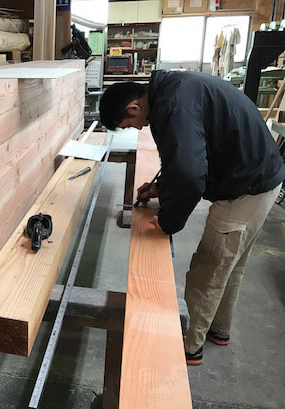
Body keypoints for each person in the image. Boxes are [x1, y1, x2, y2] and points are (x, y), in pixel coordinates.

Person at [99, 70, 285, 365]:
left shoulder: (172, 106)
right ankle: (218, 329)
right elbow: (189, 153)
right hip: (260, 177)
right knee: (230, 264)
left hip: (246, 187)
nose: (138, 127)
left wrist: (167, 222)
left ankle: (188, 346)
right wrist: (162, 187)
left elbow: (189, 176)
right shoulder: (172, 89)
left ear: (133, 108)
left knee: (208, 269)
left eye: (130, 124)